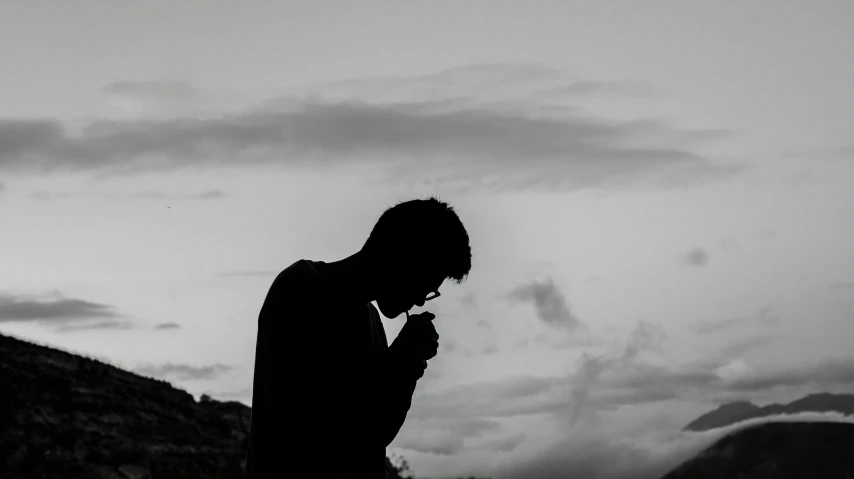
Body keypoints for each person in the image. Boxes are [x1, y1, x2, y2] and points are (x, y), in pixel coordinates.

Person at [244, 196, 472, 478]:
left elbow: (376, 433)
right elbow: (304, 415)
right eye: (423, 285)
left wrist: (407, 370)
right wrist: (396, 360)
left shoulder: (372, 321)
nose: (420, 301)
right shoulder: (300, 287)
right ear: (397, 257)